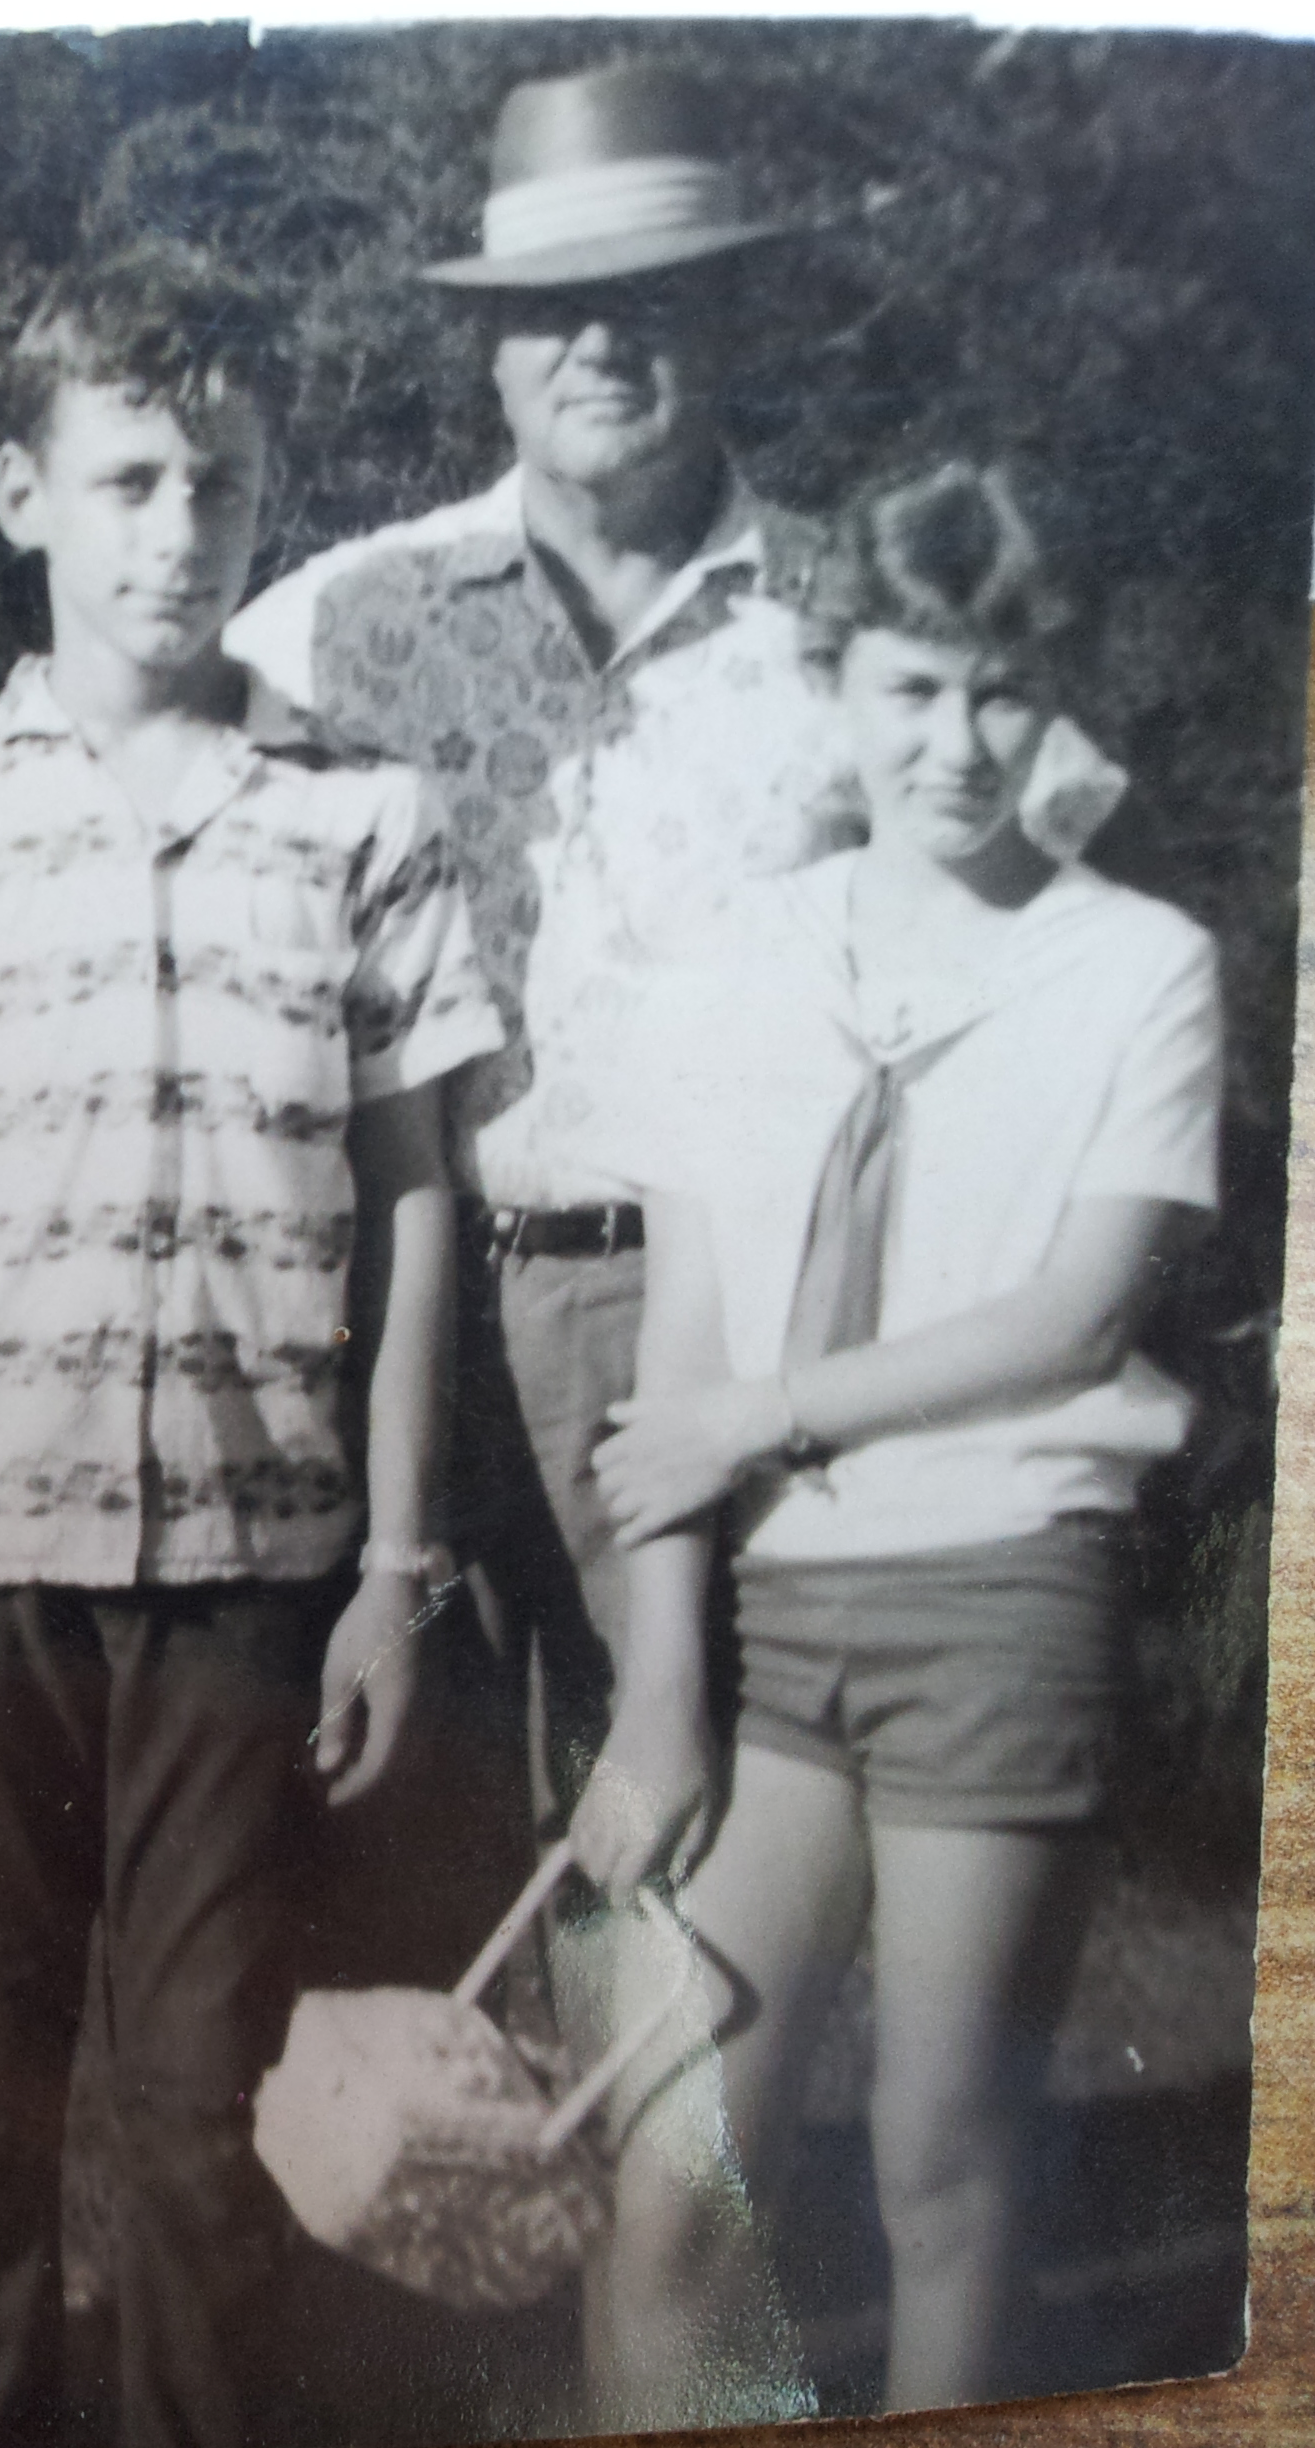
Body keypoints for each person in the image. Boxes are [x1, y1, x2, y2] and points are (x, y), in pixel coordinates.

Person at [0, 241, 500, 2448]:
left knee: (203, 2117)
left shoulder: (364, 824)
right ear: (25, 496)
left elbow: (417, 1203)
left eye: (222, 481)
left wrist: (390, 1565)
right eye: (131, 478)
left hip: (256, 1584)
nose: (180, 530)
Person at [572, 461, 1219, 2422]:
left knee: (945, 2167)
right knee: (679, 2180)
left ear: (1058, 694)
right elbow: (684, 1342)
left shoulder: (1137, 964)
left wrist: (769, 1413)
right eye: (914, 691)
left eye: (1004, 692)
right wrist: (659, 1691)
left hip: (1002, 1597)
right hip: (769, 1628)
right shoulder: (736, 956)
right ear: (838, 685)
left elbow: (1075, 1313)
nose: (957, 744)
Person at [226, 61, 841, 1929]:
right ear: (487, 351)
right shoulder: (333, 622)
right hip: (391, 1303)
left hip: (714, 1319)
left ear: (727, 316)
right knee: (397, 1884)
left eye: (649, 297)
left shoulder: (857, 622)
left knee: (678, 1887)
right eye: (548, 310)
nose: (597, 344)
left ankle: (673, 2217)